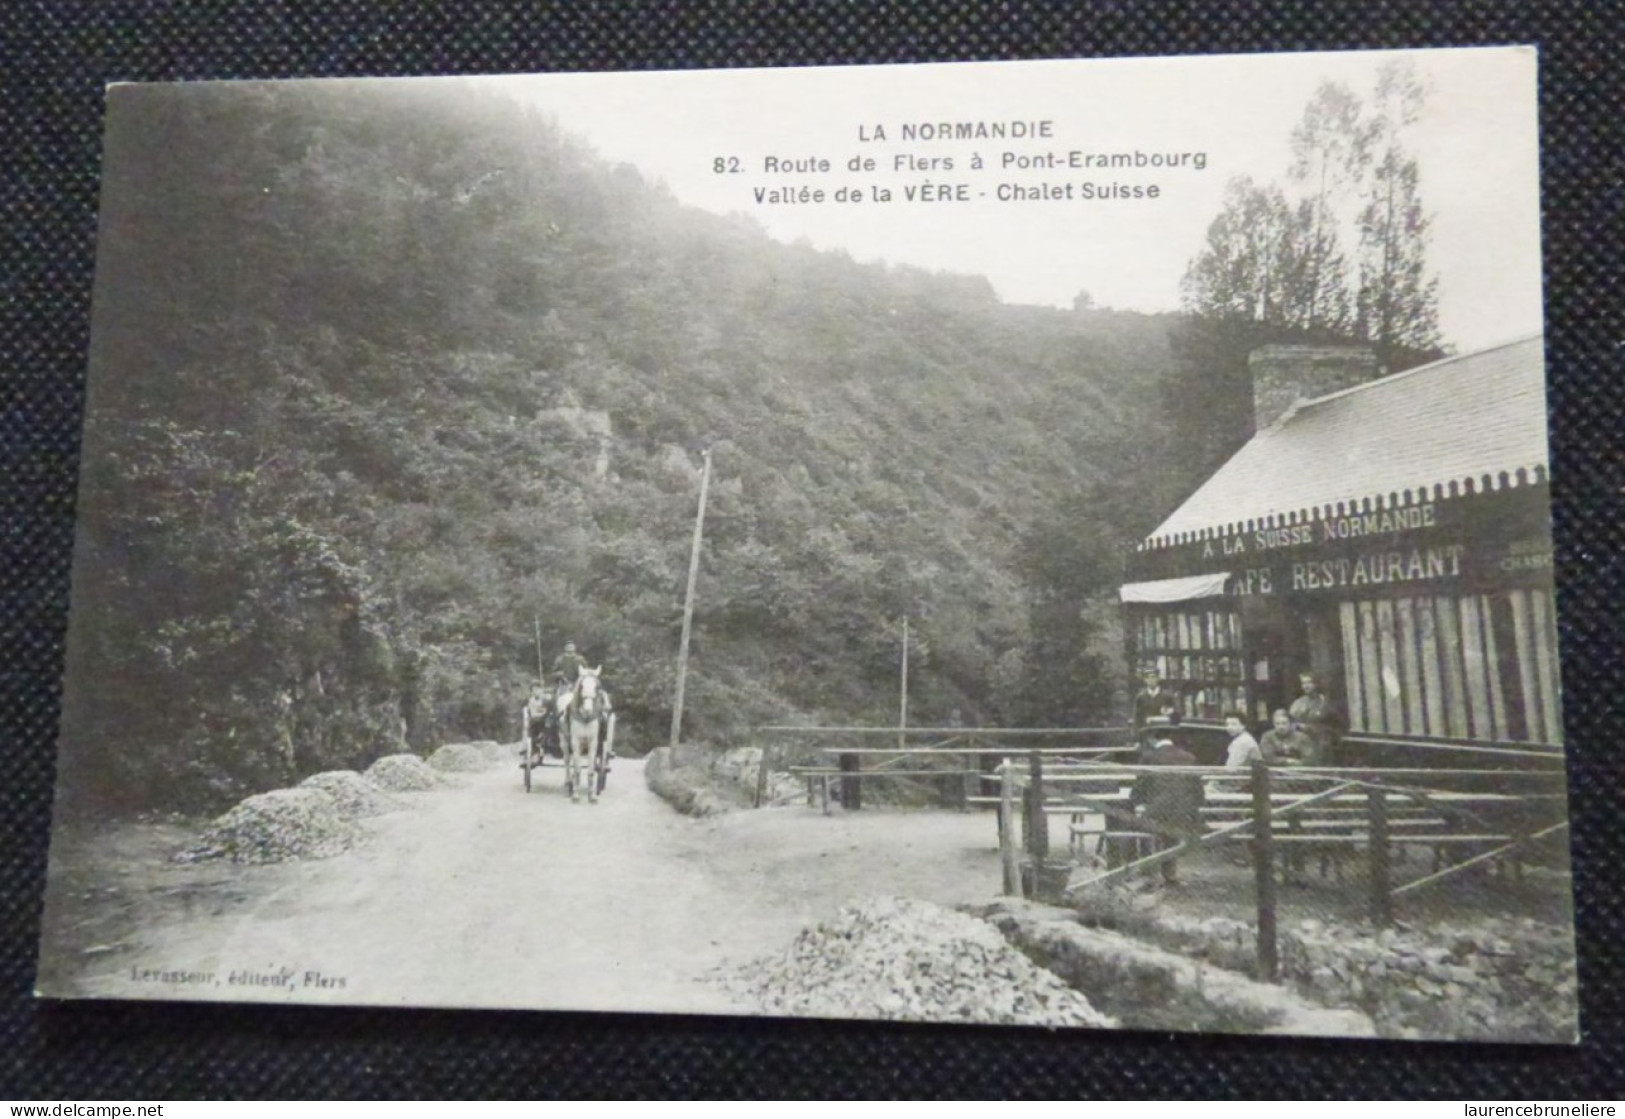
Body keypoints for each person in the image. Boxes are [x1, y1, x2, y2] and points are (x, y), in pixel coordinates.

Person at [1129, 717, 1204, 886]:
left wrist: (1136, 801)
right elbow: (1198, 792)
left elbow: (1139, 788)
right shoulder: (1189, 757)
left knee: (1138, 824)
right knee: (1171, 829)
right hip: (1184, 813)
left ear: (1151, 738)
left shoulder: (1149, 757)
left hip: (1157, 812)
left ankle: (1147, 871)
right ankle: (1169, 873)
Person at [1289, 672, 1344, 767]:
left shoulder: (1325, 703)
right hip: (1302, 744)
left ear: (1316, 684)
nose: (1306, 686)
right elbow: (1291, 723)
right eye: (1303, 683)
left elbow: (1336, 725)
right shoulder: (1298, 704)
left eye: (1309, 683)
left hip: (1321, 744)